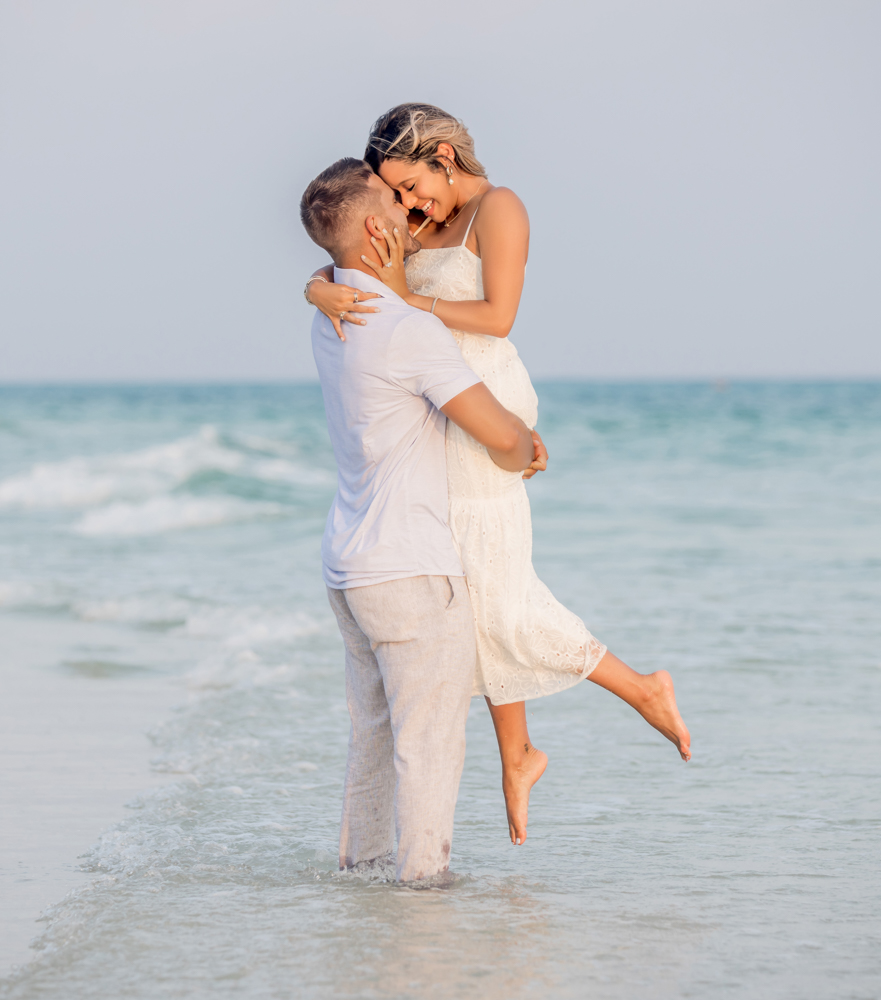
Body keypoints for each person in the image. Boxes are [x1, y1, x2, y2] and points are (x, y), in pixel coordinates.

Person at [305, 104, 691, 848]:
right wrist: (316, 286)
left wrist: (404, 303)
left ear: (446, 156)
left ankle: (640, 689)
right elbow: (349, 243)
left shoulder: (498, 208)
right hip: (435, 406)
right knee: (474, 597)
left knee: (499, 599)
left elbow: (499, 315)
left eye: (413, 185)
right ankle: (518, 754)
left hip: (482, 398)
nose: (410, 205)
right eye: (397, 194)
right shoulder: (412, 222)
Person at [300, 157, 545, 884]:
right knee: (429, 749)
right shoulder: (406, 330)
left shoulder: (329, 315)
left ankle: (360, 880)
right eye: (396, 205)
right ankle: (422, 901)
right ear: (377, 227)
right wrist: (525, 446)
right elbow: (499, 436)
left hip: (347, 568)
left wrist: (317, 282)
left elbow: (328, 280)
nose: (413, 214)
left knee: (373, 739)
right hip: (410, 571)